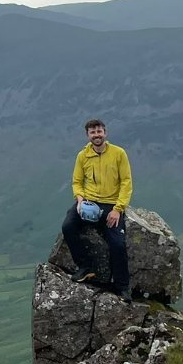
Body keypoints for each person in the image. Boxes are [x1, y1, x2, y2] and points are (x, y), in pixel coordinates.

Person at [61, 118, 133, 297]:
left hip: (111, 205)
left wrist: (118, 209)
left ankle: (122, 287)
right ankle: (85, 267)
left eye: (99, 131)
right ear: (88, 135)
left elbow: (126, 182)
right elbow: (77, 182)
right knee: (68, 226)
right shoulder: (82, 156)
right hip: (88, 202)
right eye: (92, 132)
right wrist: (80, 201)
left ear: (105, 133)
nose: (96, 135)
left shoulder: (118, 153)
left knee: (117, 244)